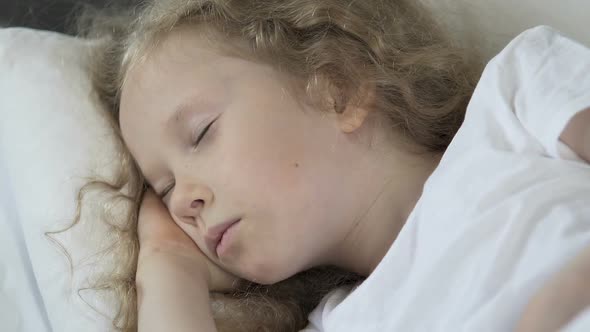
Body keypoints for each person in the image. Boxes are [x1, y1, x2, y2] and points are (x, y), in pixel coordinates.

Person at [69, 0, 590, 331]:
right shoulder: (340, 322)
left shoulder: (516, 100)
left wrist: (560, 304)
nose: (182, 201)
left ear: (336, 86)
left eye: (201, 132)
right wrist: (168, 269)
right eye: (164, 189)